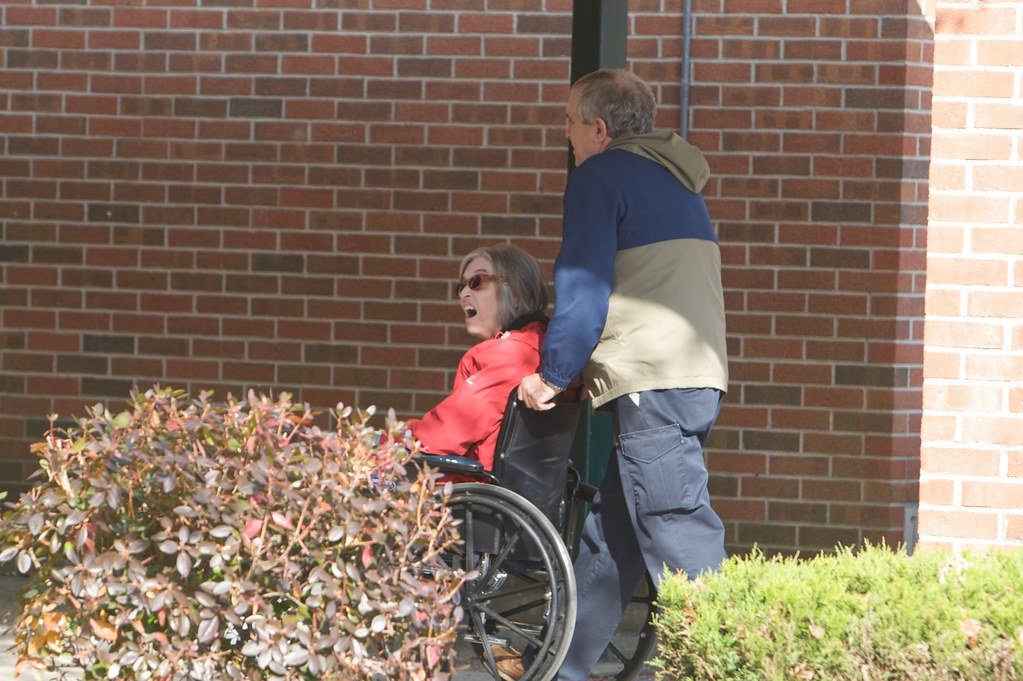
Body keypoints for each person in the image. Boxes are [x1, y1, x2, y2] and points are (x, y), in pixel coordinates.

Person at [512, 68, 730, 681]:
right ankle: (554, 668)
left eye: (569, 121)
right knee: (614, 541)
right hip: (694, 375)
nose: (566, 134)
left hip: (654, 380)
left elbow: (584, 285)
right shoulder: (675, 177)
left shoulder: (599, 175)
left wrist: (552, 375)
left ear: (598, 128)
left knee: (675, 528)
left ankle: (732, 663)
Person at [405, 243, 551, 473]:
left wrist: (384, 441)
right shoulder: (550, 351)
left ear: (514, 292)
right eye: (461, 286)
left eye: (477, 282)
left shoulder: (510, 356)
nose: (464, 293)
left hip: (473, 489)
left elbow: (443, 434)